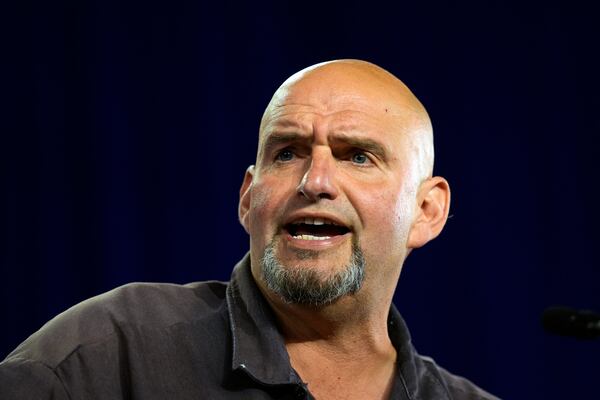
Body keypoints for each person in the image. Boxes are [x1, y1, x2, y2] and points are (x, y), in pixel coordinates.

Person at [0, 60, 500, 399]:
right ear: (248, 197)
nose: (315, 181)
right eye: (287, 153)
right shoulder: (109, 354)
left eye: (357, 156)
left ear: (426, 211)